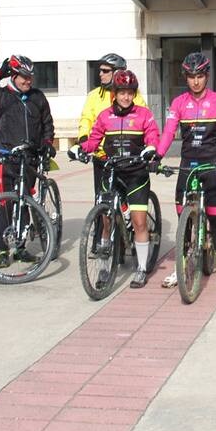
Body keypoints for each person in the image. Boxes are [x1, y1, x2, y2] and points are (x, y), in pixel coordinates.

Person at [155, 52, 216, 291]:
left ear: (206, 76)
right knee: (183, 221)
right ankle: (180, 268)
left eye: (199, 76)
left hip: (211, 166)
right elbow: (168, 132)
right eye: (190, 76)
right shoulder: (179, 103)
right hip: (187, 166)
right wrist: (157, 156)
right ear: (186, 77)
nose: (195, 81)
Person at [76, 69, 160, 288]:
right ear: (114, 93)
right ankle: (104, 269)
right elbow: (93, 140)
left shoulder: (143, 114)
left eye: (130, 93)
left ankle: (141, 268)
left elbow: (153, 135)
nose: (126, 97)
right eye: (121, 92)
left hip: (136, 173)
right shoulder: (105, 116)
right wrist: (80, 149)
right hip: (111, 171)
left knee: (139, 222)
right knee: (106, 221)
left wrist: (151, 147)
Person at [0, 54, 56, 268]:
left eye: (30, 77)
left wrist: (48, 143)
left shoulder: (38, 97)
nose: (28, 81)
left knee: (24, 201)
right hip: (6, 156)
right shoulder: (0, 95)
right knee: (7, 202)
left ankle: (20, 249)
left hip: (29, 157)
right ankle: (4, 251)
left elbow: (47, 123)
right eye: (23, 77)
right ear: (13, 75)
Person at [78, 52, 144, 200]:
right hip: (102, 155)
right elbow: (86, 118)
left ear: (117, 73)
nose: (101, 74)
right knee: (102, 200)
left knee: (128, 200)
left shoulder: (134, 95)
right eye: (100, 70)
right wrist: (83, 138)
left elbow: (143, 120)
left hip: (128, 155)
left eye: (106, 71)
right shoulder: (93, 95)